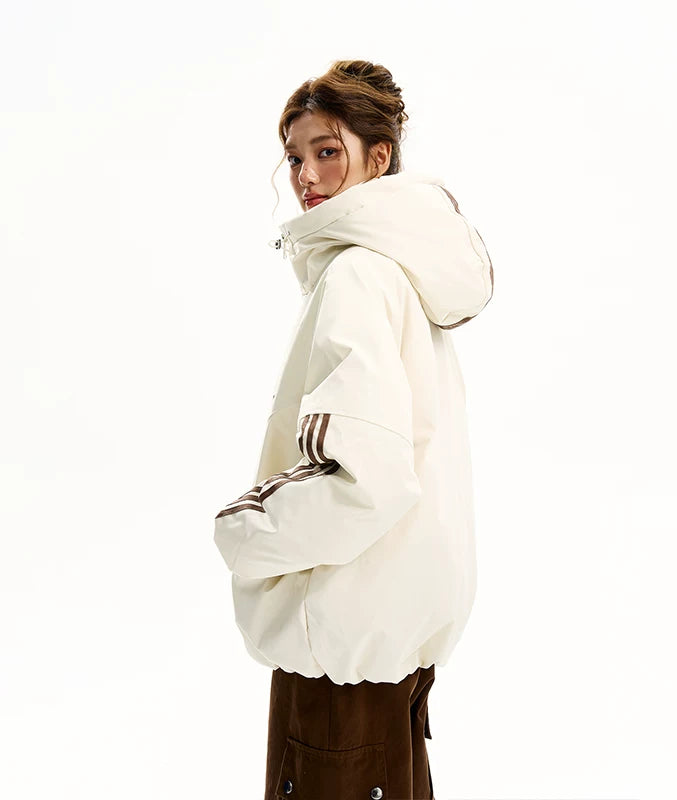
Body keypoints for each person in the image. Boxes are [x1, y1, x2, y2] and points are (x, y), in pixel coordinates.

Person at [213, 59, 494, 800]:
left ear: (379, 157)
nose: (306, 175)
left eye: (327, 151)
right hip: (391, 644)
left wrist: (244, 533)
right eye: (294, 156)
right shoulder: (404, 274)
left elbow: (365, 478)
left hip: (338, 656)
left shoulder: (359, 275)